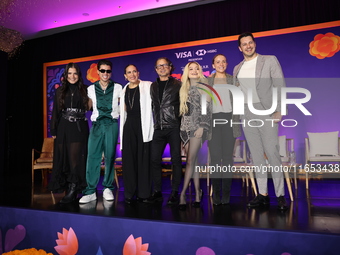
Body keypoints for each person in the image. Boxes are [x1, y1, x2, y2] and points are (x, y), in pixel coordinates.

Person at [233, 32, 288, 210]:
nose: (248, 46)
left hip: (266, 111)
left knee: (272, 153)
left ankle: (280, 195)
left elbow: (280, 84)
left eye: (251, 43)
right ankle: (263, 194)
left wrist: (280, 109)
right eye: (244, 44)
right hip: (247, 113)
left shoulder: (269, 60)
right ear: (240, 48)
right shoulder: (237, 69)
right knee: (256, 155)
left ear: (254, 44)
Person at [79, 59, 122, 204]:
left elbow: (125, 106)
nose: (105, 73)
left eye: (108, 71)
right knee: (93, 156)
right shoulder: (90, 88)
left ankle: (107, 188)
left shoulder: (118, 87)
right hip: (97, 124)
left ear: (111, 72)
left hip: (111, 124)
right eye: (102, 70)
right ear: (97, 72)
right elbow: (88, 106)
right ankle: (90, 190)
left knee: (110, 156)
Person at [48, 62, 89, 203]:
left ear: (79, 75)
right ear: (66, 75)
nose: (72, 76)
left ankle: (74, 188)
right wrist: (53, 129)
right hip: (63, 126)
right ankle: (68, 187)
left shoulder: (86, 89)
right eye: (69, 73)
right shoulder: (60, 91)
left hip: (79, 127)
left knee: (75, 160)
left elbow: (91, 108)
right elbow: (56, 112)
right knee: (64, 159)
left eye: (75, 73)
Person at [144, 57, 182, 205]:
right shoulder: (152, 86)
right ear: (155, 69)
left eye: (164, 65)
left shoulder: (178, 84)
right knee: (154, 160)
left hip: (173, 126)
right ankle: (157, 192)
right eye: (159, 66)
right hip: (158, 128)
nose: (162, 68)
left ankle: (174, 193)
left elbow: (185, 106)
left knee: (176, 160)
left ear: (170, 67)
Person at [208, 54, 241, 206]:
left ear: (226, 64)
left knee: (227, 159)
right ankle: (216, 193)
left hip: (230, 120)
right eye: (217, 62)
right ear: (213, 65)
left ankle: (226, 194)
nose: (221, 64)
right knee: (215, 159)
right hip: (213, 121)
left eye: (223, 61)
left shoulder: (233, 80)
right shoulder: (207, 81)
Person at [178, 61, 212, 209]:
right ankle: (198, 192)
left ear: (200, 70)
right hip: (185, 128)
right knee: (195, 161)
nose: (193, 71)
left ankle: (183, 194)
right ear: (187, 71)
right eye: (190, 69)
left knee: (190, 160)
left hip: (198, 127)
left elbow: (207, 110)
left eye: (196, 68)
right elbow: (182, 112)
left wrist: (203, 127)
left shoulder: (205, 86)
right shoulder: (183, 88)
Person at [119, 64, 153, 204]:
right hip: (129, 126)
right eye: (129, 72)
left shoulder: (148, 85)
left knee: (144, 160)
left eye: (134, 71)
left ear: (138, 73)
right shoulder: (123, 90)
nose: (132, 74)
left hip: (143, 125)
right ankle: (129, 193)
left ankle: (144, 193)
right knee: (129, 161)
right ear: (125, 76)